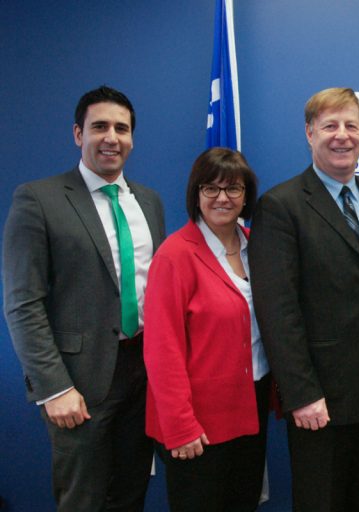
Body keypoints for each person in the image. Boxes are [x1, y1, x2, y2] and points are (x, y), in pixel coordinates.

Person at [3, 86, 165, 511]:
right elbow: (22, 303)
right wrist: (53, 388)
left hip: (144, 374)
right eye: (99, 127)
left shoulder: (149, 201)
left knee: (131, 494)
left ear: (132, 138)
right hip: (79, 381)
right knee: (83, 500)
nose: (111, 137)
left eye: (122, 128)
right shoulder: (39, 199)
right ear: (78, 134)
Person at [249, 87, 359, 512]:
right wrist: (300, 392)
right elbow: (277, 309)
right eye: (330, 126)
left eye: (351, 125)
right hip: (319, 397)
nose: (342, 136)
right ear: (309, 133)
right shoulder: (280, 206)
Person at [143, 148, 269, 511]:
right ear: (195, 195)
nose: (222, 198)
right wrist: (179, 425)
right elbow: (161, 350)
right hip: (198, 420)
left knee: (243, 503)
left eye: (233, 189)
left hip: (251, 407)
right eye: (210, 189)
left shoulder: (256, 246)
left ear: (246, 196)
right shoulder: (175, 255)